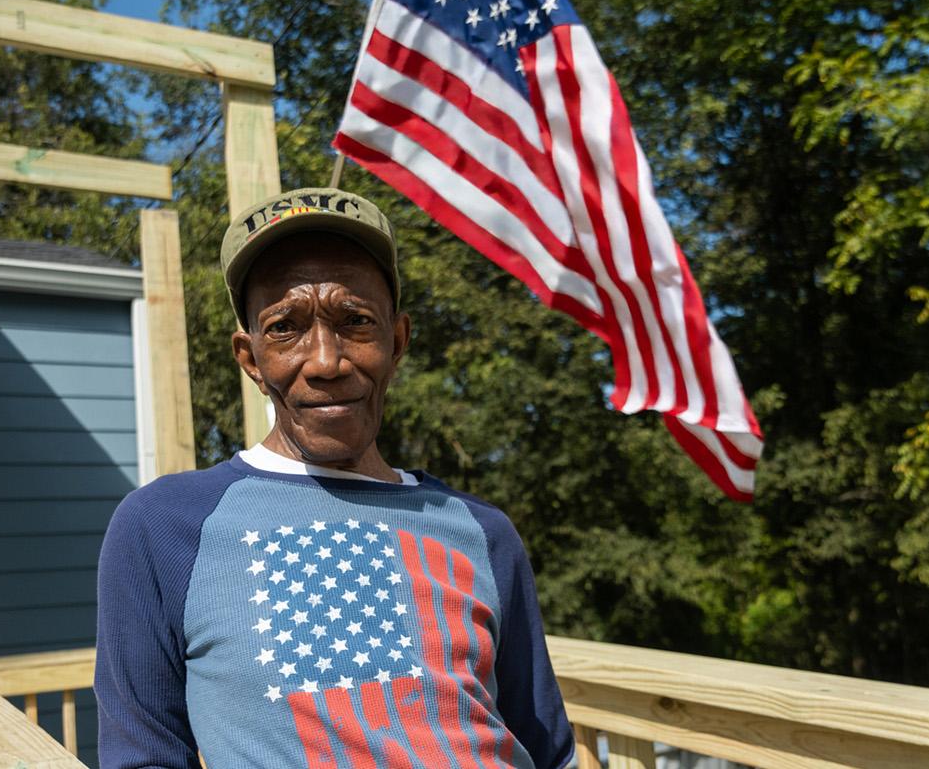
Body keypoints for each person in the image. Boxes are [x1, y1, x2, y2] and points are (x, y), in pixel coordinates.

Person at [94, 187, 575, 768]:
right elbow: (143, 757)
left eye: (355, 321)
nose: (325, 361)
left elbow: (548, 750)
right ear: (250, 359)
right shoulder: (165, 526)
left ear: (397, 342)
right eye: (285, 328)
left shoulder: (482, 530)